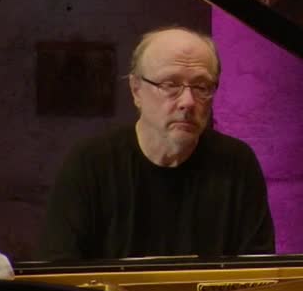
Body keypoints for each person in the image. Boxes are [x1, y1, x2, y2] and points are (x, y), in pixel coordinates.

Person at [39, 26, 274, 259]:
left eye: (202, 86)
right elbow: (60, 269)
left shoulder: (237, 163)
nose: (188, 102)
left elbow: (258, 275)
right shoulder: (89, 163)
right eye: (170, 84)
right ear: (136, 90)